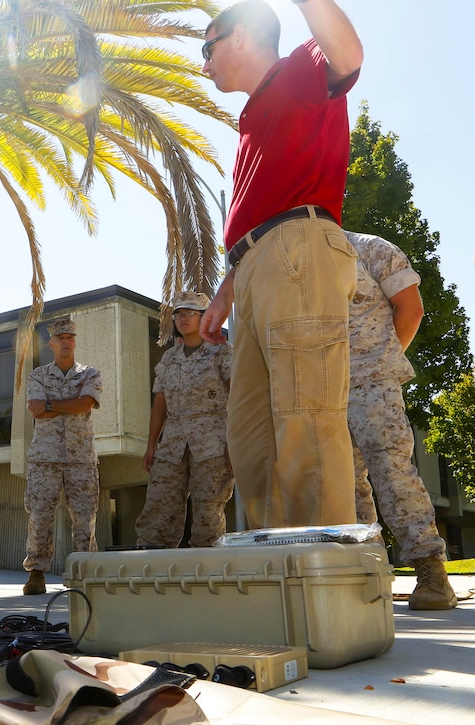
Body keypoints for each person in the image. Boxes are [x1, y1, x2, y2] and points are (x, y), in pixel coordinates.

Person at [198, 0, 363, 528]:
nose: (204, 65)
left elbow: (348, 53)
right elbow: (255, 218)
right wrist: (227, 291)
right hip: (253, 271)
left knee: (304, 426)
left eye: (209, 48)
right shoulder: (251, 114)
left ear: (241, 36)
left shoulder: (299, 68)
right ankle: (281, 580)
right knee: (251, 442)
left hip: (297, 252)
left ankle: (323, 595)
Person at [344, 231, 457, 610]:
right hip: (318, 391)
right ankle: (367, 576)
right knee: (342, 485)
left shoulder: (368, 248)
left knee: (392, 473)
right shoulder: (294, 260)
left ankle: (431, 574)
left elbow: (411, 308)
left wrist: (380, 365)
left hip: (372, 384)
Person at [135, 292, 233, 548]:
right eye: (178, 314)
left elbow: (237, 396)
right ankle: (152, 570)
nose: (183, 318)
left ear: (204, 317)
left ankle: (207, 574)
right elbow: (160, 404)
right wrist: (151, 445)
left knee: (207, 513)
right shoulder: (169, 359)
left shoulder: (222, 352)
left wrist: (235, 443)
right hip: (172, 446)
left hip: (213, 445)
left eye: (190, 313)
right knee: (158, 507)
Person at [22, 317, 102, 595]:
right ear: (51, 343)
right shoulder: (38, 376)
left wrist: (51, 404)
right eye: (61, 338)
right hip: (45, 458)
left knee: (84, 517)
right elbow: (35, 409)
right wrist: (69, 405)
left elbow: (85, 404)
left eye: (70, 337)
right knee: (40, 515)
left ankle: (85, 573)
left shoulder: (90, 374)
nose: (66, 341)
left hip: (81, 458)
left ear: (75, 341)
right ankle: (36, 573)